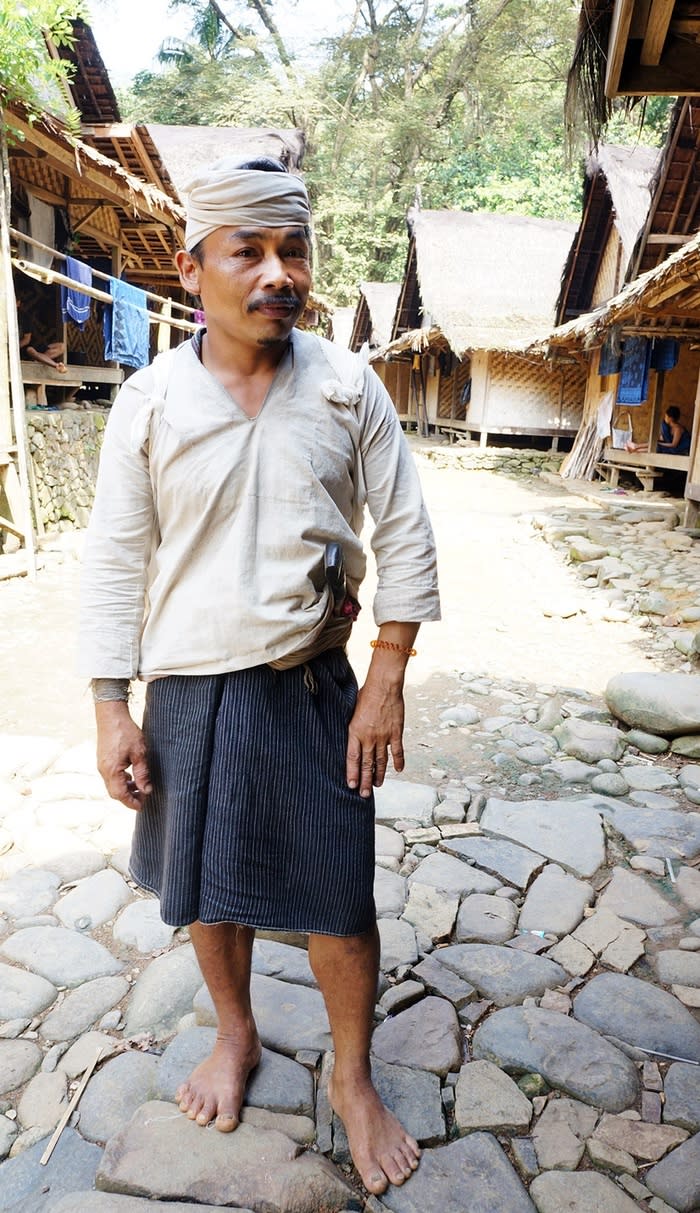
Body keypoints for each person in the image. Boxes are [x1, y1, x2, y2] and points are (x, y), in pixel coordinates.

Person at [79, 157, 440, 1197]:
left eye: (294, 252)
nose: (278, 273)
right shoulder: (150, 401)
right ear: (196, 270)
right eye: (250, 252)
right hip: (187, 690)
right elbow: (114, 556)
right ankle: (234, 1033)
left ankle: (354, 1076)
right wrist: (111, 706)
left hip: (313, 682)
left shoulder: (344, 383)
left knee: (338, 889)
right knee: (205, 880)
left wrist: (387, 674)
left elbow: (405, 528)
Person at [625, 406, 691, 455]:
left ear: (670, 418)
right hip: (669, 447)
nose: (665, 418)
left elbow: (674, 445)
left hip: (678, 450)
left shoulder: (678, 429)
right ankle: (634, 449)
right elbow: (664, 438)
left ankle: (635, 448)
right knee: (655, 444)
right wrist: (658, 440)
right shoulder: (669, 427)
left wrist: (660, 443)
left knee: (657, 447)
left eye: (666, 416)